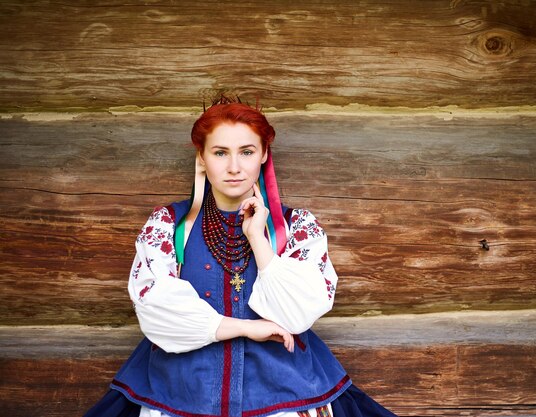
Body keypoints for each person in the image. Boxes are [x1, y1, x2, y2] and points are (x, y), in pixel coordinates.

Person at [83, 96, 398, 417]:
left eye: (246, 152)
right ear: (202, 158)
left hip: (284, 391)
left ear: (263, 155)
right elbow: (157, 311)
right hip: (180, 388)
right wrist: (246, 328)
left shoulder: (298, 227)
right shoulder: (169, 225)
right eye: (220, 153)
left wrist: (258, 240)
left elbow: (296, 315)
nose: (234, 167)